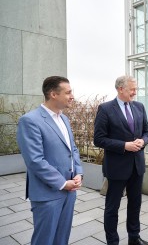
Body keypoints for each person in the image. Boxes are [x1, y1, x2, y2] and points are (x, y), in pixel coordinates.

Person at [16, 76, 83, 245]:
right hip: (47, 194)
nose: (72, 96)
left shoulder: (64, 119)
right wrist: (62, 183)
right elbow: (35, 160)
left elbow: (72, 149)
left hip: (69, 191)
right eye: (68, 92)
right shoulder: (30, 121)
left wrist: (79, 173)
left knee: (62, 238)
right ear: (53, 94)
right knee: (44, 240)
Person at [94, 75, 148, 245]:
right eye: (132, 89)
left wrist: (144, 141)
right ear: (120, 89)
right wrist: (124, 145)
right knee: (112, 208)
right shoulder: (105, 109)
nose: (135, 92)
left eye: (136, 89)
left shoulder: (139, 107)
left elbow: (147, 132)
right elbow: (98, 139)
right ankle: (113, 241)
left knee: (135, 204)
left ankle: (134, 238)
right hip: (117, 168)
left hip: (137, 166)